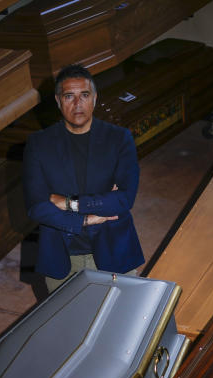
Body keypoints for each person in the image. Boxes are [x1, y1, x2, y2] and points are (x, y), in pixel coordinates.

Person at [22, 63, 144, 293]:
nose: (78, 104)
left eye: (84, 95)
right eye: (69, 96)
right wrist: (84, 219)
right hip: (62, 255)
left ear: (94, 98)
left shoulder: (119, 138)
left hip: (114, 249)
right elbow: (36, 206)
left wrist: (69, 203)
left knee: (120, 322)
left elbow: (125, 199)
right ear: (58, 101)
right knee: (67, 326)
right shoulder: (39, 144)